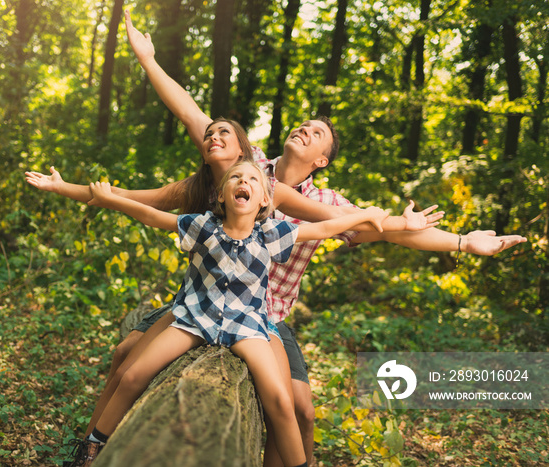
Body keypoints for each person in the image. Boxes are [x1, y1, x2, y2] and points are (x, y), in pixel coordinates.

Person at [89, 11, 528, 467]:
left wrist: (460, 242)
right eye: (304, 125)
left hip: (267, 315)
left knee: (300, 410)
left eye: (317, 134)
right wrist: (147, 60)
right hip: (208, 295)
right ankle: (95, 444)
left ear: (321, 160)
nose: (305, 129)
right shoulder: (251, 168)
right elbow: (189, 112)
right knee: (127, 355)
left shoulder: (327, 200)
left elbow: (388, 231)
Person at [67, 160, 391, 467]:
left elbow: (326, 227)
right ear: (221, 195)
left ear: (265, 199)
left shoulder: (271, 233)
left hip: (246, 328)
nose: (243, 182)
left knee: (280, 400)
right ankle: (93, 444)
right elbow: (153, 216)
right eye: (236, 178)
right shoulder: (203, 226)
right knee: (134, 374)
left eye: (252, 179)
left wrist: (368, 216)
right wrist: (111, 198)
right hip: (195, 320)